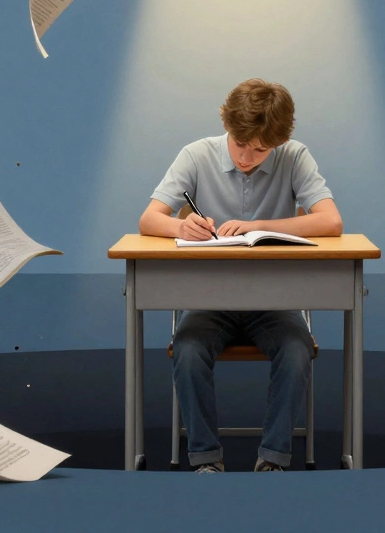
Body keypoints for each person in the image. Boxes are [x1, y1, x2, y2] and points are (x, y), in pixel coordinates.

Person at [138, 78, 343, 473]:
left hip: (274, 302)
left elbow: (331, 221)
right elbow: (148, 219)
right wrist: (180, 228)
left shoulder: (295, 156)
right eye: (239, 144)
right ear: (226, 125)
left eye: (261, 150)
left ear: (278, 143)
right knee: (188, 350)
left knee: (298, 350)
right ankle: (205, 459)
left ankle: (273, 458)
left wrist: (258, 226)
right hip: (209, 301)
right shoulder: (196, 155)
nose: (247, 157)